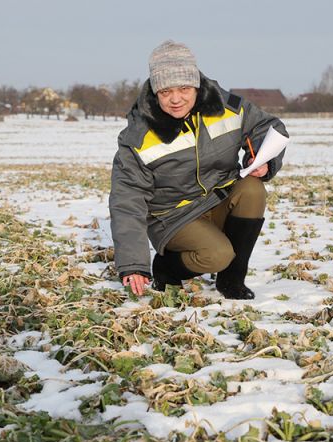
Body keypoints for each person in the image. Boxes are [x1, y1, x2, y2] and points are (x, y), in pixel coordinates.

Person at [109, 40, 289, 300]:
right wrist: (134, 263)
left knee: (252, 189)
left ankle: (232, 280)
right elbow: (127, 199)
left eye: (183, 88)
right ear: (154, 90)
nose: (175, 99)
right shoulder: (137, 136)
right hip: (173, 216)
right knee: (217, 255)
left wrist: (261, 159)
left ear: (196, 84)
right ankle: (166, 267)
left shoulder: (226, 106)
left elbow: (269, 127)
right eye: (165, 91)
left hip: (217, 197)